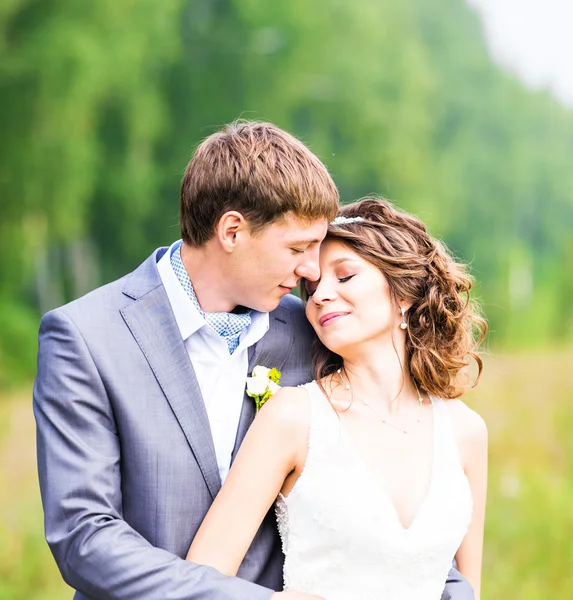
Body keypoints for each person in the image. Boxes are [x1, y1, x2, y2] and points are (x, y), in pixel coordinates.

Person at [33, 120, 340, 600]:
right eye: (298, 247)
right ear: (232, 230)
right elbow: (84, 538)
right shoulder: (85, 338)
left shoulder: (313, 334)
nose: (312, 270)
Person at [186, 197, 489, 600]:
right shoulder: (293, 418)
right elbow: (201, 578)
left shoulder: (466, 432)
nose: (320, 296)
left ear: (403, 294)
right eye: (310, 289)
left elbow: (468, 589)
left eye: (344, 277)